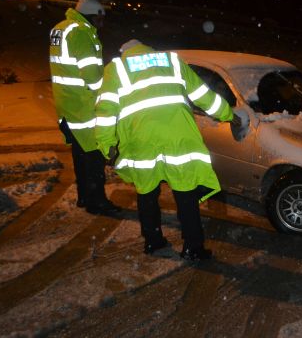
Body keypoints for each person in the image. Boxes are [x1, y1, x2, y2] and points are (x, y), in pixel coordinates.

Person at [95, 39, 241, 259]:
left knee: (147, 192)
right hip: (178, 138)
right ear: (147, 49)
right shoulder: (171, 61)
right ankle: (193, 247)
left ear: (125, 53)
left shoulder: (116, 69)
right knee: (185, 194)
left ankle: (153, 241)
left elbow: (105, 111)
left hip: (141, 142)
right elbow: (204, 95)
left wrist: (107, 146)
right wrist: (229, 115)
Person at [49, 0, 120, 215]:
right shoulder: (80, 33)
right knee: (94, 157)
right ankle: (97, 201)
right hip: (83, 106)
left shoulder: (61, 28)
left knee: (80, 155)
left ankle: (84, 197)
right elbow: (93, 78)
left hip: (67, 104)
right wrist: (112, 88)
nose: (102, 23)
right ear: (92, 15)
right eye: (100, 19)